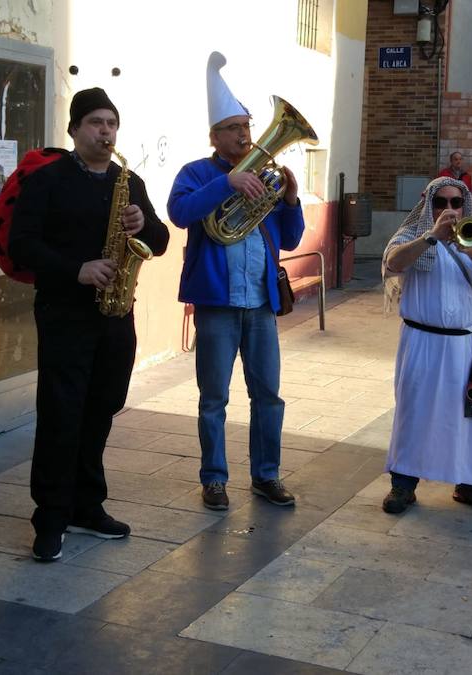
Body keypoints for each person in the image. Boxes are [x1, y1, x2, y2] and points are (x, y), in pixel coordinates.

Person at [9, 88, 169, 561]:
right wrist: (75, 268)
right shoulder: (49, 180)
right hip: (65, 313)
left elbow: (159, 240)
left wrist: (145, 224)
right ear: (75, 129)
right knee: (61, 415)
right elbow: (22, 245)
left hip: (116, 314)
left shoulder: (129, 181)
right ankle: (51, 517)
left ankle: (87, 506)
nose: (106, 132)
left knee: (101, 410)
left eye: (112, 123)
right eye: (96, 123)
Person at [167, 52, 305, 511]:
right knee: (214, 398)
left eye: (246, 124)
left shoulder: (265, 175)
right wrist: (229, 182)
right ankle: (214, 479)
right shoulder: (197, 173)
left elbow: (289, 238)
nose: (245, 134)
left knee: (268, 395)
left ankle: (267, 475)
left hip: (260, 305)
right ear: (214, 135)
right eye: (233, 127)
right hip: (217, 304)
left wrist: (290, 200)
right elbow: (180, 213)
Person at [380, 176, 472, 515]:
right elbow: (393, 262)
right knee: (414, 411)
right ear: (429, 206)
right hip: (421, 340)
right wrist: (431, 237)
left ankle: (470, 484)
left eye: (455, 203)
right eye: (441, 203)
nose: (449, 209)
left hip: (466, 345)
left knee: (468, 415)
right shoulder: (412, 236)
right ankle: (403, 485)